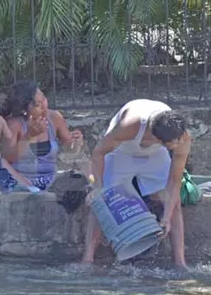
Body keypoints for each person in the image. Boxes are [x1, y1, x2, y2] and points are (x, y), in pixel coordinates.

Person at [81, 100, 192, 267]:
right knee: (104, 201)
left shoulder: (182, 137)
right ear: (156, 137)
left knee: (173, 201)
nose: (177, 146)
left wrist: (167, 216)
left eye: (178, 141)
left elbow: (174, 182)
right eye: (173, 144)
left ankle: (180, 263)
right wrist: (99, 189)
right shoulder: (130, 124)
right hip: (121, 152)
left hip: (154, 155)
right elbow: (98, 153)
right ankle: (87, 259)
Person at [0, 81, 82, 191]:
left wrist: (77, 142)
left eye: (44, 99)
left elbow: (70, 148)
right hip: (22, 182)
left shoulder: (55, 118)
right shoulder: (14, 124)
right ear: (24, 110)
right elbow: (8, 159)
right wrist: (29, 137)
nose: (44, 106)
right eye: (38, 104)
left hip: (50, 180)